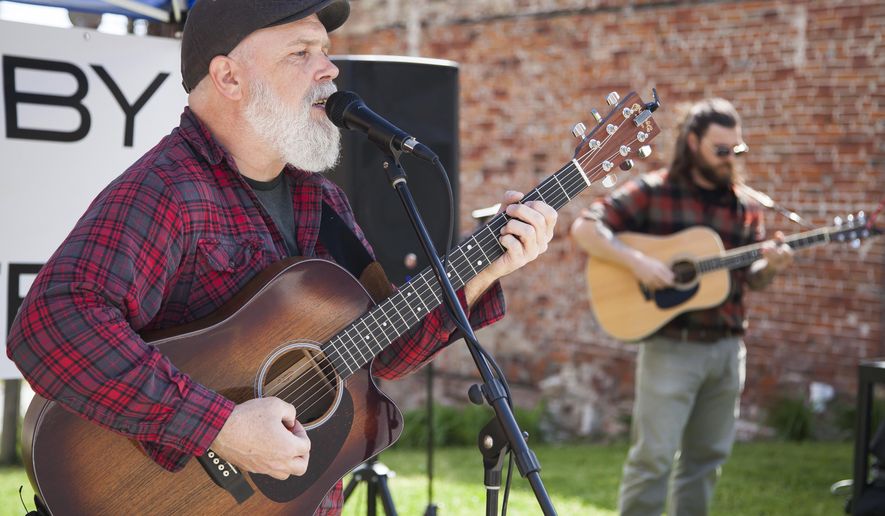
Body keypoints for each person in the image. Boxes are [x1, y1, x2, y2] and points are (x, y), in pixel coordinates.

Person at [6, 0, 557, 514]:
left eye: (324, 50)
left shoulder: (321, 199)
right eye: (301, 52)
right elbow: (50, 324)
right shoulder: (169, 189)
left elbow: (379, 352)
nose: (330, 70)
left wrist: (486, 268)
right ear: (229, 77)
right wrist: (219, 426)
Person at [570, 98, 793, 516]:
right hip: (670, 347)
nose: (731, 159)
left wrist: (773, 265)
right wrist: (639, 262)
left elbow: (751, 276)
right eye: (721, 150)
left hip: (728, 349)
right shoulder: (655, 191)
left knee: (706, 460)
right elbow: (585, 226)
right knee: (652, 458)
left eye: (737, 150)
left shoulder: (746, 206)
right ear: (692, 143)